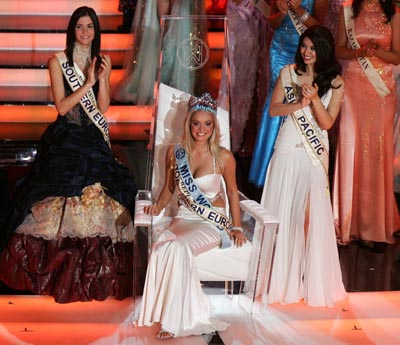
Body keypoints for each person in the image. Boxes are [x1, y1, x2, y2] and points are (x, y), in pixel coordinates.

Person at [0, 6, 138, 303]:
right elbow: (62, 108)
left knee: (106, 189)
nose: (86, 32)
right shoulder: (57, 62)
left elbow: (101, 109)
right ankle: (60, 269)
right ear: (72, 30)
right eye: (80, 27)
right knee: (60, 190)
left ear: (96, 31)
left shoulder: (103, 60)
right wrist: (86, 82)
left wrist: (101, 77)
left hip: (92, 137)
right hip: (67, 137)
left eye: (90, 27)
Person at [138, 93, 246, 339]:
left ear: (214, 126)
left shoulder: (224, 156)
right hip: (184, 217)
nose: (201, 129)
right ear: (189, 123)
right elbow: (168, 189)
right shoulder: (174, 153)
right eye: (196, 123)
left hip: (211, 221)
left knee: (180, 248)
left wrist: (236, 227)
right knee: (161, 247)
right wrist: (157, 206)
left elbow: (232, 192)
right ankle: (172, 314)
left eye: (207, 124)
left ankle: (173, 322)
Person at [259, 25, 347, 306]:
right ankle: (285, 282)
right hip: (288, 146)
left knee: (309, 218)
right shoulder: (288, 73)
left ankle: (311, 279)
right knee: (287, 215)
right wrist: (298, 102)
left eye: (312, 47)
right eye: (304, 46)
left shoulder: (335, 82)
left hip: (314, 151)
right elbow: (274, 109)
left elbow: (328, 122)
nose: (307, 52)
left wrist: (313, 102)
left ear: (323, 50)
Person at [333, 0, 400, 247]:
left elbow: (397, 56)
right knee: (352, 150)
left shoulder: (393, 12)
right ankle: (348, 222)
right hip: (353, 88)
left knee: (376, 154)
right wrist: (358, 53)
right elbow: (339, 50)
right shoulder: (348, 10)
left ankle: (375, 224)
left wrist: (376, 52)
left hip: (381, 91)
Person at [248, 0, 328, 187]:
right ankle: (267, 168)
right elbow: (272, 23)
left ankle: (296, 161)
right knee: (277, 98)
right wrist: (283, 12)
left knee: (301, 99)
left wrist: (298, 9)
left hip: (306, 50)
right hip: (281, 49)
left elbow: (319, 28)